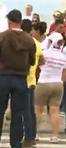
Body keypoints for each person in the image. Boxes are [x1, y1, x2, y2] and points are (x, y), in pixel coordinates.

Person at [0, 9, 36, 148]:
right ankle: (15, 143)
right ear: (20, 22)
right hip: (21, 79)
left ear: (8, 21)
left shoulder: (1, 37)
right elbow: (32, 61)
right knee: (18, 113)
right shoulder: (29, 40)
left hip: (4, 77)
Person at [35, 34, 66, 143]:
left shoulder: (45, 54)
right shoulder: (63, 56)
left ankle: (35, 133)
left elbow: (38, 67)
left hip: (43, 82)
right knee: (55, 110)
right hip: (58, 83)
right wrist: (61, 81)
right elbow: (64, 72)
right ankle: (54, 136)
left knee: (38, 110)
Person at [20, 19, 45, 147]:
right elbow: (42, 61)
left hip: (21, 80)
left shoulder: (20, 42)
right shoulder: (36, 43)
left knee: (22, 111)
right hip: (32, 81)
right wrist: (34, 66)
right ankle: (31, 136)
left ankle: (24, 137)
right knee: (31, 112)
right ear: (30, 30)